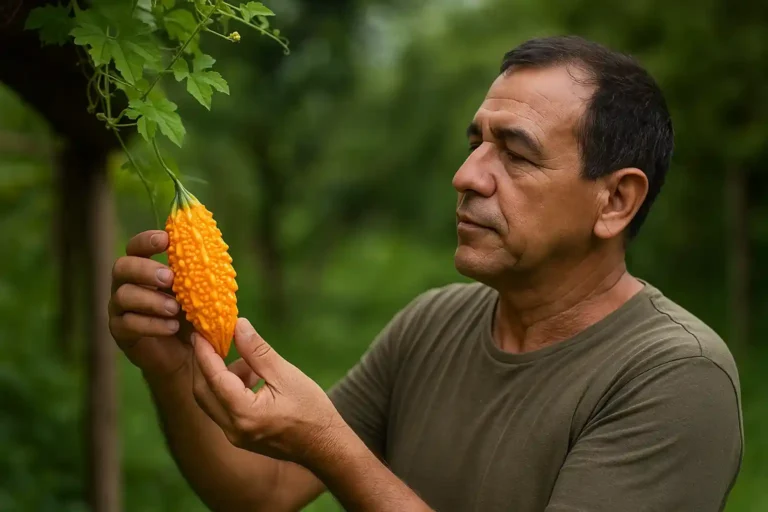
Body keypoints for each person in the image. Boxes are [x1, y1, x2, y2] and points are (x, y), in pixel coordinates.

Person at [108, 35, 743, 511]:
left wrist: (332, 446)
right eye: (477, 144)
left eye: (516, 154)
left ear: (615, 201)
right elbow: (262, 490)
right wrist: (172, 368)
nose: (467, 177)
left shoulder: (676, 377)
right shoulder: (432, 324)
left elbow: (326, 454)